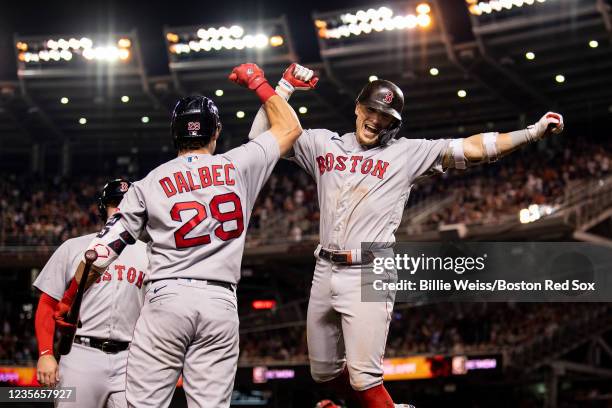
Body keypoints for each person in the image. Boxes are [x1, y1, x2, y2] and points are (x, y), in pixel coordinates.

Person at [249, 72, 564, 408]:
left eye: (385, 117)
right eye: (371, 111)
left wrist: (531, 133)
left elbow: (472, 148)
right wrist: (284, 87)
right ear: (358, 108)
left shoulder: (407, 153)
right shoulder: (323, 143)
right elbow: (259, 138)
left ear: (393, 123)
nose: (375, 121)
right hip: (324, 268)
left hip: (369, 271)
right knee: (323, 373)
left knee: (365, 379)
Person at [74, 63, 312, 408]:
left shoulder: (150, 182)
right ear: (215, 132)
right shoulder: (237, 164)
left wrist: (71, 298)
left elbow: (100, 252)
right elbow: (288, 126)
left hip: (167, 298)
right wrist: (268, 84)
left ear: (175, 134)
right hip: (220, 302)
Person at [33, 179, 148, 408]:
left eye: (127, 202)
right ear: (103, 208)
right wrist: (45, 352)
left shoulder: (151, 253)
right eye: (115, 202)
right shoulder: (74, 247)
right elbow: (46, 304)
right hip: (80, 355)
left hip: (131, 358)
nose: (121, 208)